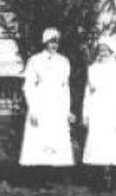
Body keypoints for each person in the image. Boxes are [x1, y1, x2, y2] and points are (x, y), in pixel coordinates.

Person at [19, 27, 75, 184]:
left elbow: (65, 87)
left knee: (55, 137)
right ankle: (38, 177)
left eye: (56, 42)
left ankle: (53, 175)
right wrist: (33, 109)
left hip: (57, 104)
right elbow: (28, 86)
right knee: (40, 138)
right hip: (41, 102)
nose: (54, 45)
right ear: (44, 42)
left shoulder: (64, 61)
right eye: (51, 41)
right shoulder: (35, 60)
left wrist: (67, 109)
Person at [82, 36, 116, 191]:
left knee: (112, 145)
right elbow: (88, 93)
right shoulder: (93, 69)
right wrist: (86, 114)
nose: (103, 53)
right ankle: (97, 181)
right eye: (100, 50)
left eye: (105, 50)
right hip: (97, 110)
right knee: (96, 145)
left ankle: (112, 181)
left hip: (113, 110)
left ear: (111, 50)